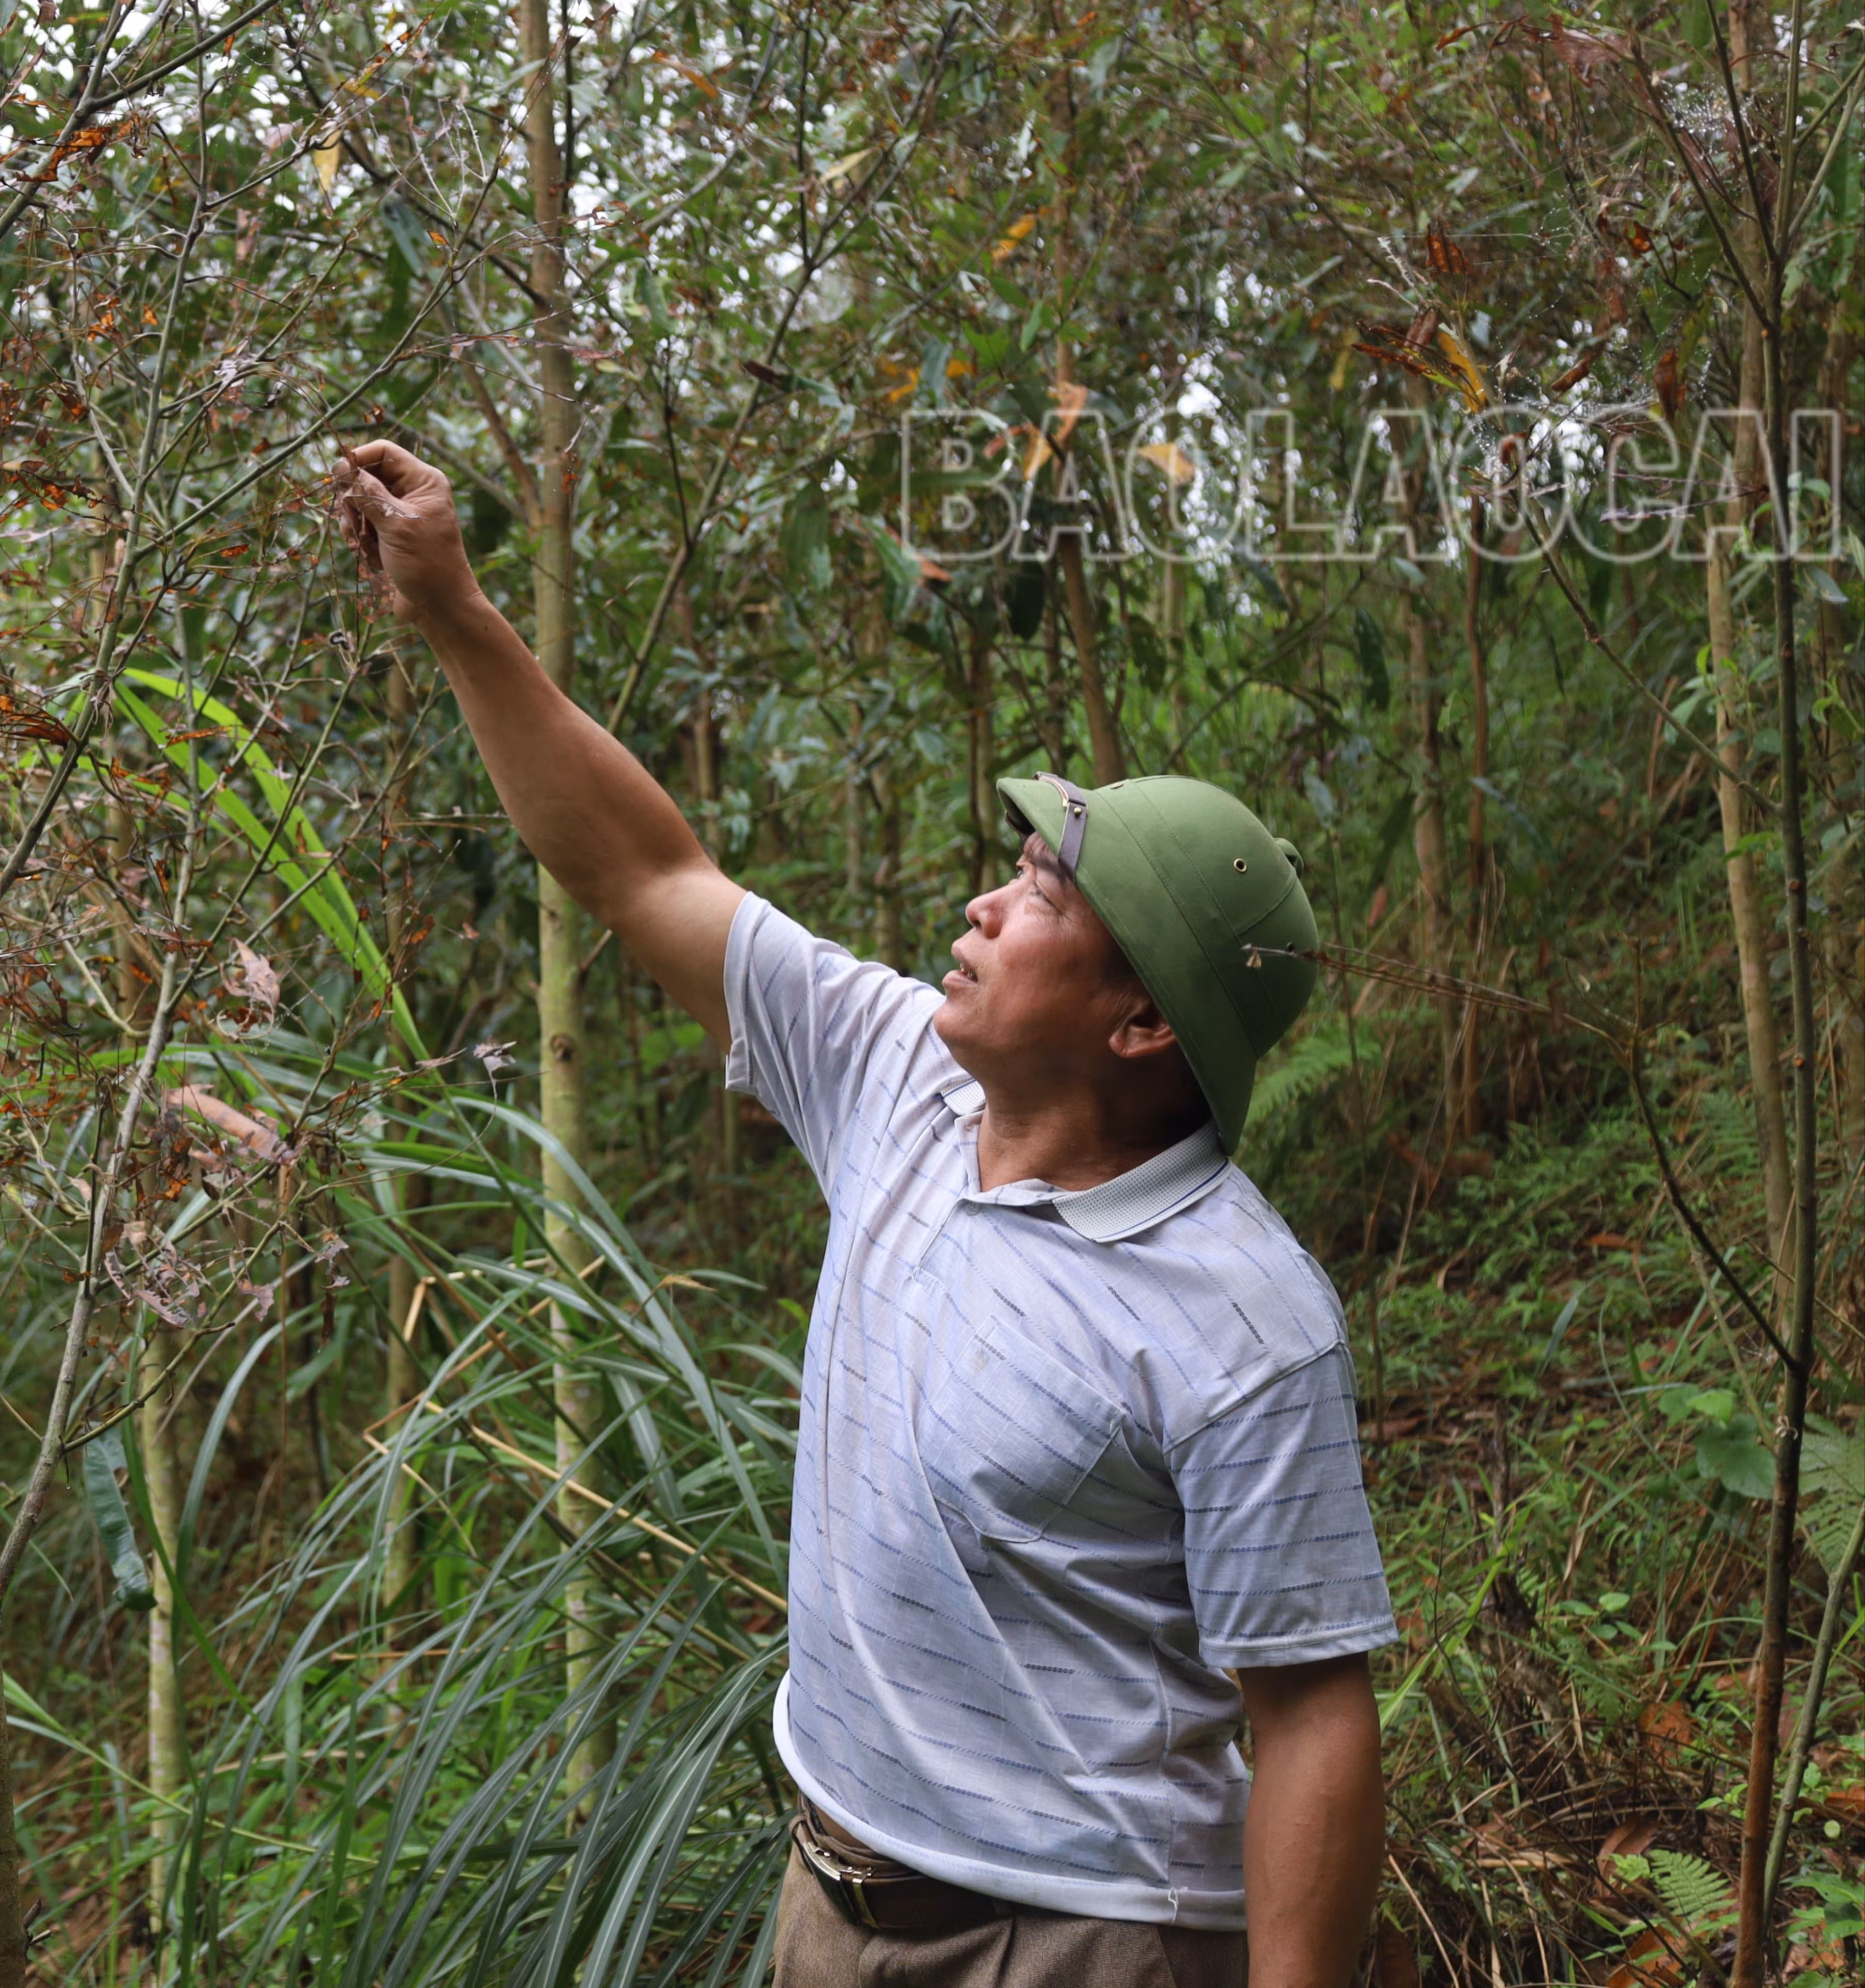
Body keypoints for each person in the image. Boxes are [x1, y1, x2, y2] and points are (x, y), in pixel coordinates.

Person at [331, 439, 1394, 1988]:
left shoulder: (1246, 1316)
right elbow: (641, 870)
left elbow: (1311, 1715)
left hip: (1091, 1939)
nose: (980, 904)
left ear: (1142, 1023)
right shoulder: (895, 1077)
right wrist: (454, 609)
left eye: (1040, 897)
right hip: (832, 1900)